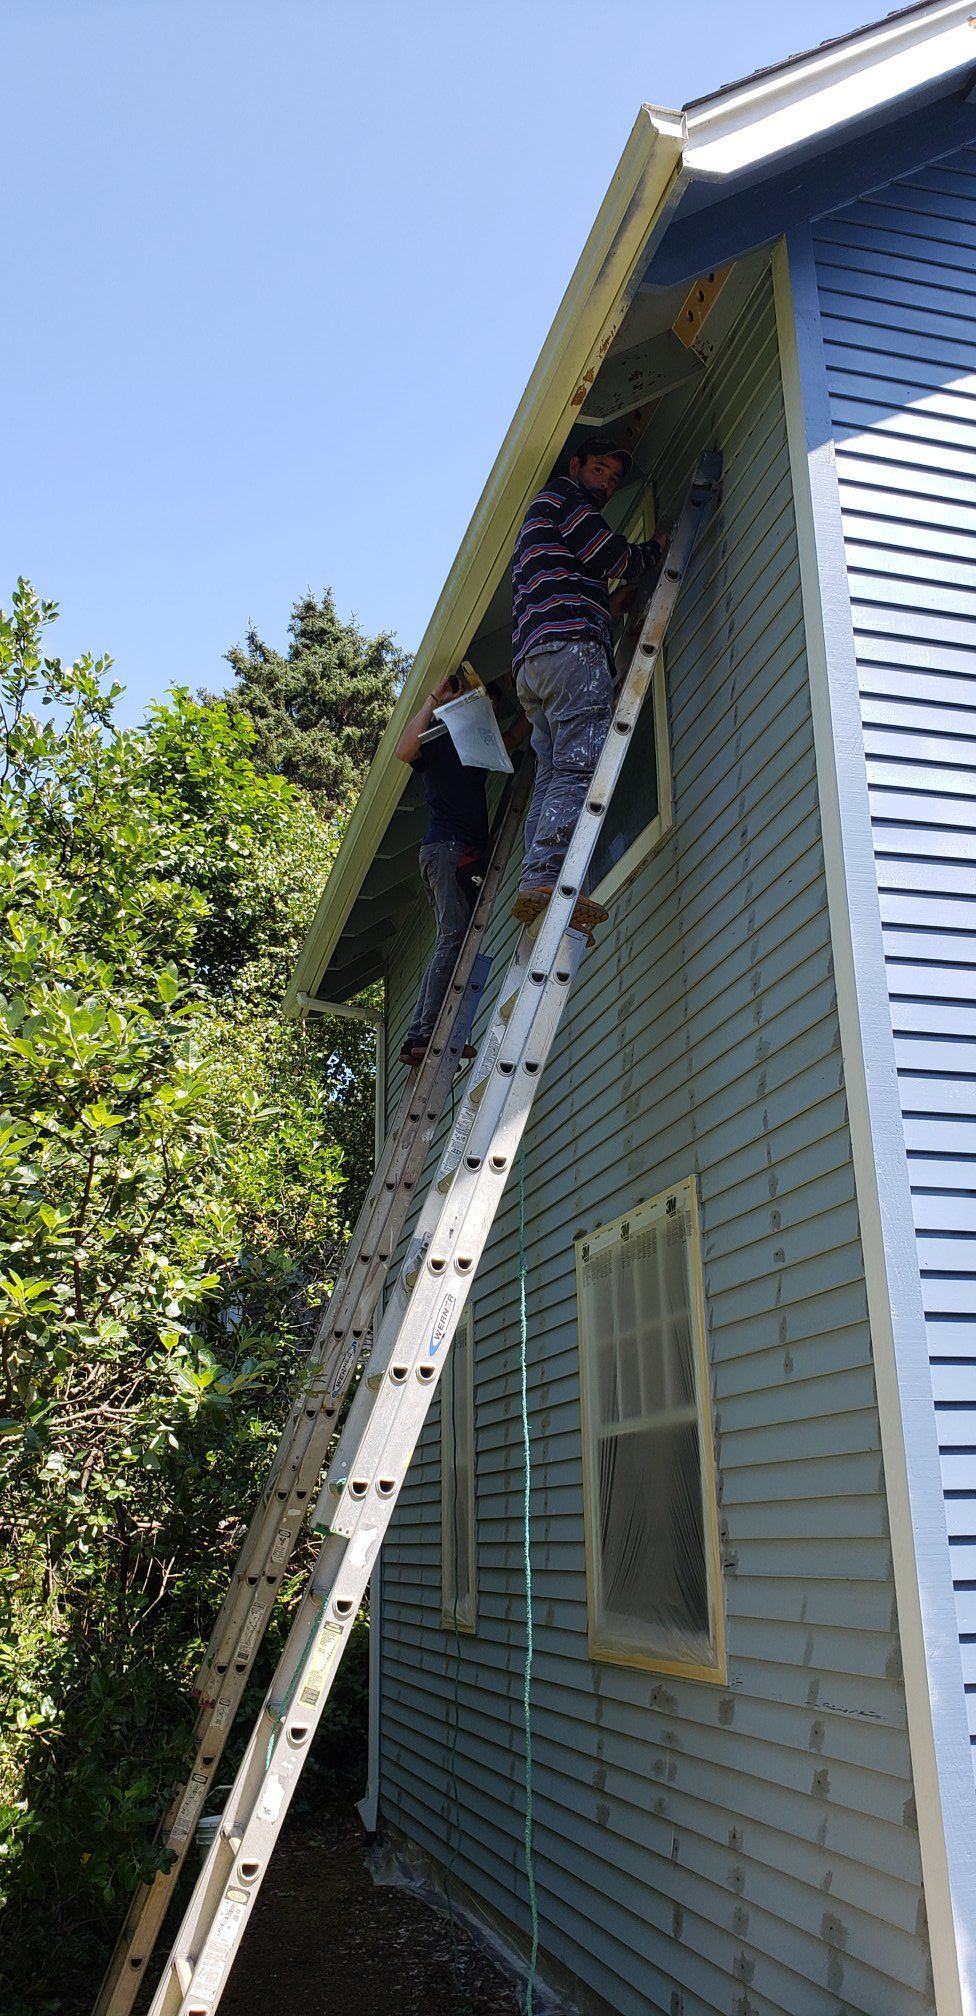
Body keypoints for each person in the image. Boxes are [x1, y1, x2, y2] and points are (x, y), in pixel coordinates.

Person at [511, 435, 669, 932]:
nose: (606, 483)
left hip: (535, 660)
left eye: (614, 478)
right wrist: (654, 551)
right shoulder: (566, 496)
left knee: (552, 769)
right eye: (600, 469)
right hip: (570, 649)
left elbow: (570, 570)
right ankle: (551, 875)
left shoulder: (546, 512)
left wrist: (606, 604)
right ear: (577, 465)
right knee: (579, 765)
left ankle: (537, 873)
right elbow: (611, 556)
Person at [395, 675, 524, 1066]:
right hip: (449, 851)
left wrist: (534, 702)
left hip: (454, 853)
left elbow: (514, 738)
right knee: (454, 938)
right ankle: (422, 1033)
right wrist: (436, 698)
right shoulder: (441, 734)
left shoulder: (477, 745)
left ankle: (433, 1031)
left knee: (457, 939)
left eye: (491, 707)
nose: (489, 712)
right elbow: (403, 751)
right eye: (482, 703)